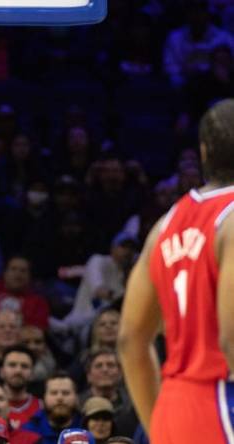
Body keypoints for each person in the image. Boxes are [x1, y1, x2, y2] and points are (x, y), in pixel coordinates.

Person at [119, 99, 234, 443]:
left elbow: (129, 341)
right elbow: (231, 338)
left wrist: (160, 430)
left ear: (203, 152)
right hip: (223, 404)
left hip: (173, 408)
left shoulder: (164, 226)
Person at [23, 373, 82, 444]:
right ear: (44, 397)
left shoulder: (86, 428)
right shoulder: (28, 431)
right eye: (54, 393)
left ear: (76, 397)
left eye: (66, 393)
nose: (60, 398)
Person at [0, 346, 41, 429]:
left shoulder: (41, 407)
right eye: (12, 365)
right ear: (2, 371)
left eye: (24, 366)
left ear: (32, 373)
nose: (18, 371)